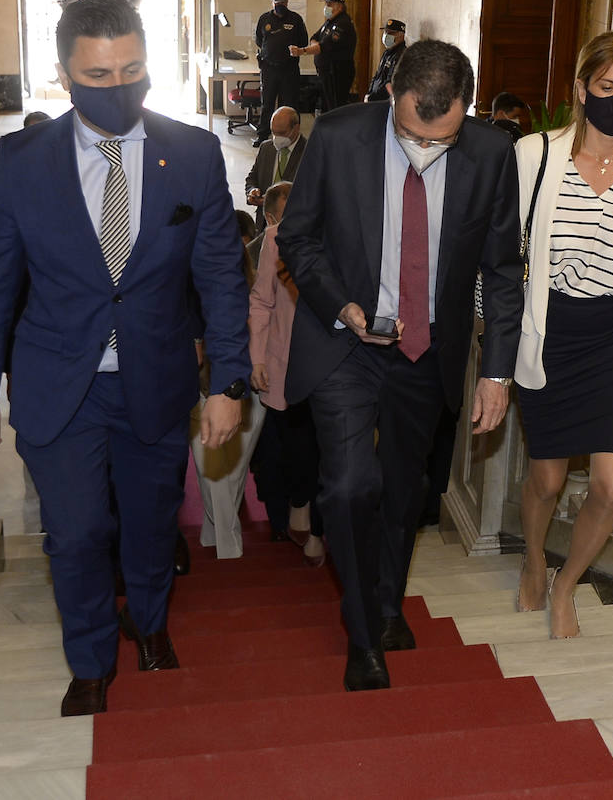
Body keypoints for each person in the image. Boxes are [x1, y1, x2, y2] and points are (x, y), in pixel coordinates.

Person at [0, 0, 250, 717]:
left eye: (132, 69)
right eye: (97, 74)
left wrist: (229, 384)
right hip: (59, 381)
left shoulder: (192, 154)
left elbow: (220, 275)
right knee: (79, 531)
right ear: (64, 76)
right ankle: (89, 659)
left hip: (154, 379)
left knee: (152, 523)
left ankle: (148, 624)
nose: (117, 84)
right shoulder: (22, 161)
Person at [276, 39, 523, 691]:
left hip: (427, 348)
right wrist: (343, 307)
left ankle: (388, 601)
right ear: (391, 95)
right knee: (351, 484)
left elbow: (501, 270)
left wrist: (497, 373)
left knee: (404, 487)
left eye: (442, 140)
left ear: (465, 113)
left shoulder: (493, 154)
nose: (426, 152)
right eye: (414, 134)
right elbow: (296, 237)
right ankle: (364, 633)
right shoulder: (336, 135)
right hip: (345, 344)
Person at [514, 31, 613, 639]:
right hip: (552, 331)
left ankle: (566, 585)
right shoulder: (536, 154)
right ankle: (533, 560)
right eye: (607, 88)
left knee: (611, 487)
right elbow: (509, 255)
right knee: (548, 479)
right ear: (582, 89)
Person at [249, 182, 327, 565]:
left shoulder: (344, 231)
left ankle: (317, 529)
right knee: (297, 449)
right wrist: (257, 358)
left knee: (330, 453)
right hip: (286, 362)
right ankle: (301, 505)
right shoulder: (276, 238)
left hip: (333, 365)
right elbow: (262, 300)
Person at [189, 209, 266, 559]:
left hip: (249, 387)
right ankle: (222, 541)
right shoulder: (189, 277)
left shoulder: (257, 284)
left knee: (225, 474)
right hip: (200, 385)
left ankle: (225, 542)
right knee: (215, 473)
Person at [253, 0, 308, 147]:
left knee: (290, 104)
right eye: (277, 3)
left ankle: (293, 137)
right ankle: (263, 135)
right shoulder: (264, 19)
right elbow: (259, 40)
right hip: (269, 68)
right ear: (272, 3)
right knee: (267, 103)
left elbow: (303, 42)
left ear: (287, 2)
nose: (280, 6)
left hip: (289, 69)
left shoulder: (295, 19)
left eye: (283, 3)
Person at [245, 106, 307, 232]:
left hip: (294, 228)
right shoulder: (266, 148)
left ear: (296, 128)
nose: (277, 138)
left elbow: (310, 195)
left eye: (282, 133)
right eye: (274, 132)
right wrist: (252, 191)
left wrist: (273, 203)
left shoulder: (310, 153)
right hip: (264, 225)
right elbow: (252, 177)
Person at [291, 0, 356, 113]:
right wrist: (317, 45)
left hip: (337, 74)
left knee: (336, 108)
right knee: (327, 107)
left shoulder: (342, 24)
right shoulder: (330, 22)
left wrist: (302, 51)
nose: (326, 7)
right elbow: (314, 37)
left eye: (329, 4)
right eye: (326, 4)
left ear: (340, 6)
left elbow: (324, 46)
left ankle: (337, 131)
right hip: (327, 73)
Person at [364, 19, 406, 102]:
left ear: (401, 35)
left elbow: (390, 84)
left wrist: (372, 98)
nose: (386, 35)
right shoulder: (387, 52)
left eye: (391, 33)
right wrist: (369, 93)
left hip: (384, 101)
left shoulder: (401, 56)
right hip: (375, 99)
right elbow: (377, 76)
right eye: (385, 32)